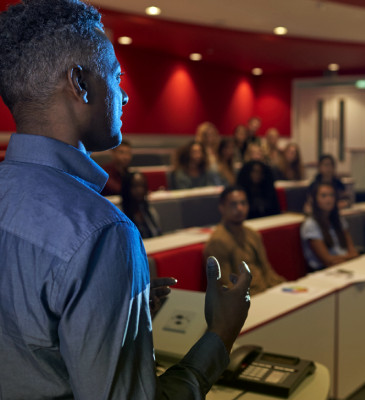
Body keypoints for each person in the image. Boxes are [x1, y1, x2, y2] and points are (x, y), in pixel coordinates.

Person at [0, 1, 252, 399]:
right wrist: (221, 334)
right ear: (80, 83)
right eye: (115, 77)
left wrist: (115, 317)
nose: (125, 96)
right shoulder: (101, 231)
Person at [204, 186, 285, 295]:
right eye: (233, 204)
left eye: (243, 203)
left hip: (266, 290)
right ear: (222, 208)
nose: (240, 208)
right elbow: (225, 285)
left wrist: (283, 288)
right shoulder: (218, 242)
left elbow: (267, 270)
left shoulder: (253, 234)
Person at [301, 182, 359, 272]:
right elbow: (327, 260)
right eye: (324, 196)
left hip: (344, 265)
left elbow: (353, 251)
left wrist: (345, 258)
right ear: (315, 200)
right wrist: (348, 257)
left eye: (332, 195)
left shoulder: (338, 220)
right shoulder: (311, 224)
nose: (329, 199)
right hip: (322, 271)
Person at [121, 171, 162, 239]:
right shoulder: (120, 216)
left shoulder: (149, 210)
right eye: (135, 186)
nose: (140, 190)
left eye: (142, 186)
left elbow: (158, 233)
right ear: (127, 188)